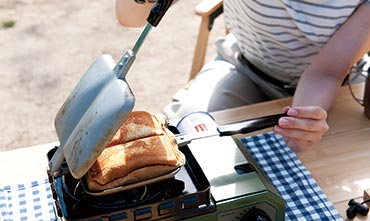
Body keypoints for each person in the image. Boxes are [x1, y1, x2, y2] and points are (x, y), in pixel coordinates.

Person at [116, 0, 370, 152]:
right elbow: (129, 17)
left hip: (340, 87)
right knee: (181, 138)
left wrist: (302, 122)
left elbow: (326, 72)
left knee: (327, 171)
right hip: (243, 66)